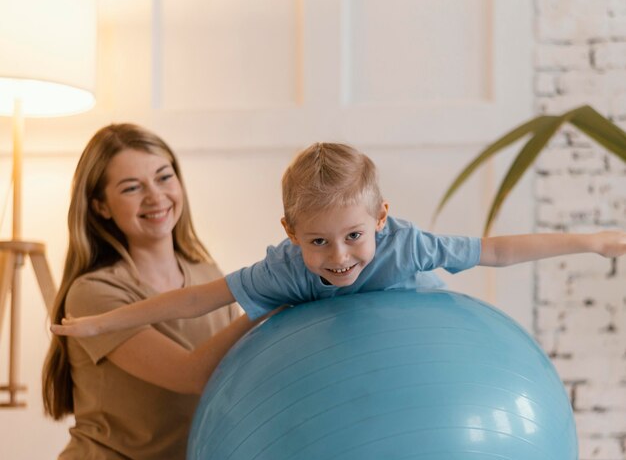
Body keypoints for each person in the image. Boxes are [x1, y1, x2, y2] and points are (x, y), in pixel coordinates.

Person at [34, 124, 271, 460]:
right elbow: (190, 373)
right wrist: (268, 301)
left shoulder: (207, 278)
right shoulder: (95, 293)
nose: (156, 196)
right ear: (100, 206)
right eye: (131, 186)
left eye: (164, 177)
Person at [51, 142, 626, 340]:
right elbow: (202, 299)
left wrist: (594, 241)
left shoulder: (408, 247)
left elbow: (497, 250)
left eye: (353, 235)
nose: (339, 256)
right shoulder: (288, 270)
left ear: (381, 219)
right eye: (318, 241)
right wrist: (105, 321)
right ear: (290, 235)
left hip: (417, 343)